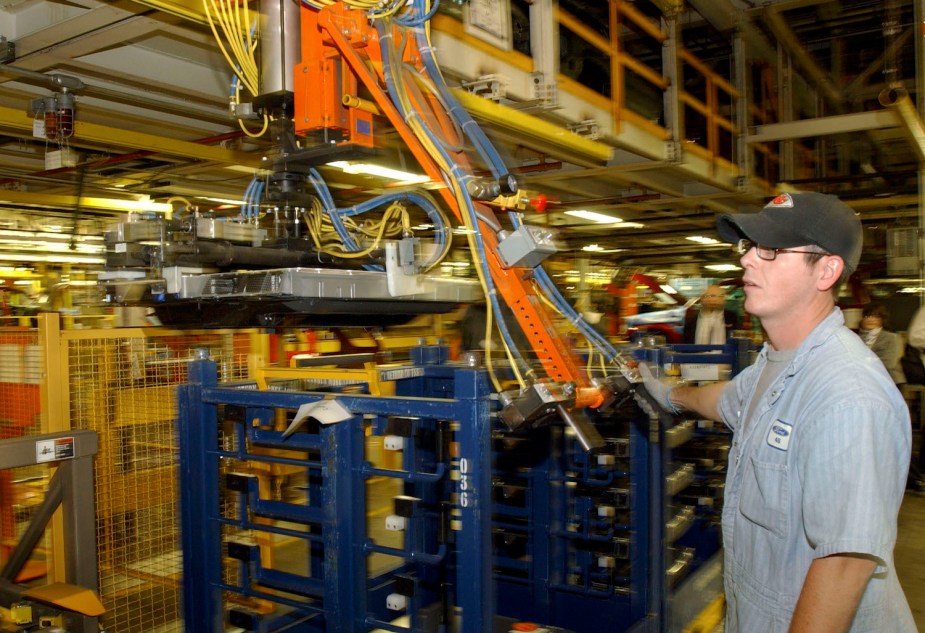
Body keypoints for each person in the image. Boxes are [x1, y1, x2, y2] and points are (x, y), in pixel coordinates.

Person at [640, 192, 914, 632]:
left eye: (769, 250)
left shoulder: (848, 394)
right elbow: (726, 398)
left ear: (826, 270)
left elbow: (845, 563)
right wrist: (670, 395)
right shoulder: (774, 363)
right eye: (747, 246)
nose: (748, 260)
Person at [858, 303, 905, 384]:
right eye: (867, 316)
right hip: (866, 380)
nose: (870, 319)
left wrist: (863, 363)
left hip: (891, 381)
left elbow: (889, 363)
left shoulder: (891, 337)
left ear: (882, 319)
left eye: (875, 316)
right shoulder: (856, 338)